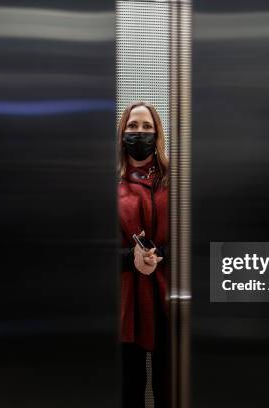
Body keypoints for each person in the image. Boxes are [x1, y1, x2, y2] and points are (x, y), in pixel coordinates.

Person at [118, 101, 170, 408]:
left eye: (147, 127)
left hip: (168, 300)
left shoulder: (174, 179)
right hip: (124, 303)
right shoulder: (108, 179)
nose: (140, 133)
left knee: (170, 388)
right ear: (122, 132)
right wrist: (130, 258)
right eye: (133, 126)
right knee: (128, 388)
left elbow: (192, 237)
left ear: (157, 133)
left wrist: (160, 254)